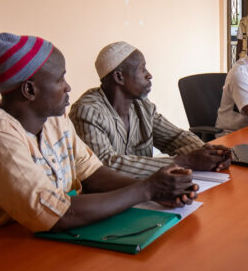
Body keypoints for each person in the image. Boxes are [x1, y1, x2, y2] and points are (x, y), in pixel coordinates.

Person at [0, 32, 197, 244]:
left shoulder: (53, 119)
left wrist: (157, 191)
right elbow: (58, 215)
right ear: (29, 90)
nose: (68, 87)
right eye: (60, 79)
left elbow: (93, 174)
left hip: (39, 242)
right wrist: (146, 189)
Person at [69, 41, 232, 179]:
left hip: (144, 192)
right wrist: (184, 161)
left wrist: (208, 153)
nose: (149, 75)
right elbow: (104, 165)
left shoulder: (142, 106)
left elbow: (175, 137)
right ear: (119, 77)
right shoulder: (88, 111)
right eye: (142, 69)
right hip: (106, 200)